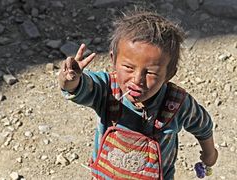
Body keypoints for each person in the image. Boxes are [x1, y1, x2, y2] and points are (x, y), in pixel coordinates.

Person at [58, 10, 218, 180]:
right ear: (113, 60)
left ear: (169, 74)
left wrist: (209, 154)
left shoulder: (177, 103)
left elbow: (202, 125)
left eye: (151, 73)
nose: (137, 79)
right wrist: (69, 81)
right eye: (128, 67)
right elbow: (82, 88)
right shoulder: (107, 90)